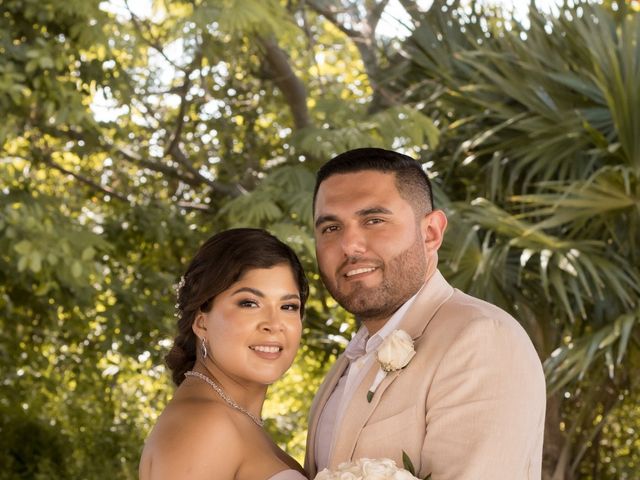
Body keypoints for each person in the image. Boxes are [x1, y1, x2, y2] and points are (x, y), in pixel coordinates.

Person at [305, 148, 546, 480]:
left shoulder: (482, 338)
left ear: (431, 232)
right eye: (331, 228)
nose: (350, 245)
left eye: (373, 220)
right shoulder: (350, 360)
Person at [139, 228, 308, 480]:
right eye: (249, 303)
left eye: (288, 306)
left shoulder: (234, 419)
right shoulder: (204, 424)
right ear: (202, 322)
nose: (274, 323)